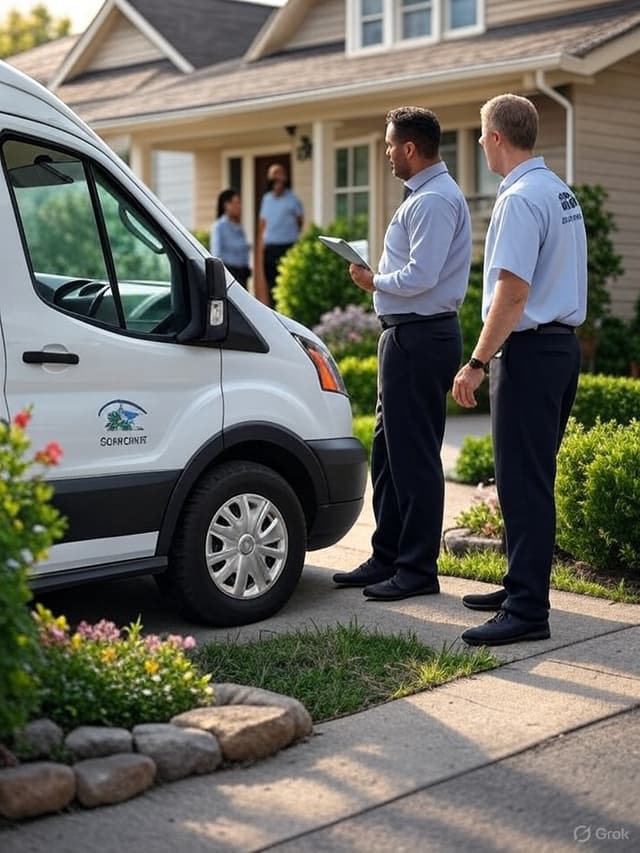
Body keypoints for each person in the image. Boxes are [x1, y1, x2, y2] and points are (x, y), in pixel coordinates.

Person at [452, 93, 587, 645]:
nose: (481, 143)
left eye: (482, 134)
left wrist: (476, 362)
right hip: (561, 350)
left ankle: (528, 610)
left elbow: (511, 293)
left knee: (522, 482)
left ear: (498, 138)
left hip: (529, 353)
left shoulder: (517, 199)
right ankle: (519, 586)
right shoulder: (559, 191)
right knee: (532, 480)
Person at [332, 106, 472, 601]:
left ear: (411, 148)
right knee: (389, 456)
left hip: (420, 336)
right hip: (405, 336)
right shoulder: (424, 196)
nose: (387, 152)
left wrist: (373, 280)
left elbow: (421, 276)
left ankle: (417, 570)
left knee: (415, 459)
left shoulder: (433, 201)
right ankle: (387, 556)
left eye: (391, 145)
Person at [254, 163, 303, 306]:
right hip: (270, 248)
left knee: (288, 284)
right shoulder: (266, 199)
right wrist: (260, 248)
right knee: (272, 286)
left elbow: (300, 221)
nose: (277, 180)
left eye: (280, 175)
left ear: (285, 179)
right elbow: (262, 224)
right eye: (274, 176)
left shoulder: (293, 199)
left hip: (288, 248)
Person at [210, 188, 251, 288]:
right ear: (226, 205)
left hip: (242, 275)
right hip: (229, 275)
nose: (239, 206)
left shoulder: (239, 227)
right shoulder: (219, 226)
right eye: (236, 203)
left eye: (239, 203)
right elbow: (216, 254)